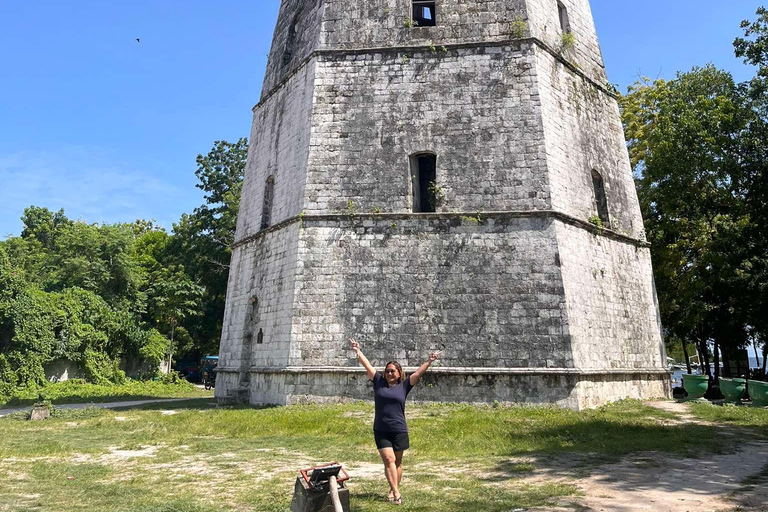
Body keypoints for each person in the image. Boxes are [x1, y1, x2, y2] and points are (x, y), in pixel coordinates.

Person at [349, 338, 441, 505]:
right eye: (387, 371)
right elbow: (367, 365)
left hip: (399, 429)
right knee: (389, 460)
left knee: (397, 463)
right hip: (381, 430)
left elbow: (418, 373)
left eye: (392, 371)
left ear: (399, 373)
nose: (389, 373)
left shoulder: (404, 386)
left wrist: (429, 361)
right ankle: (397, 493)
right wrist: (358, 351)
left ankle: (392, 490)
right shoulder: (378, 382)